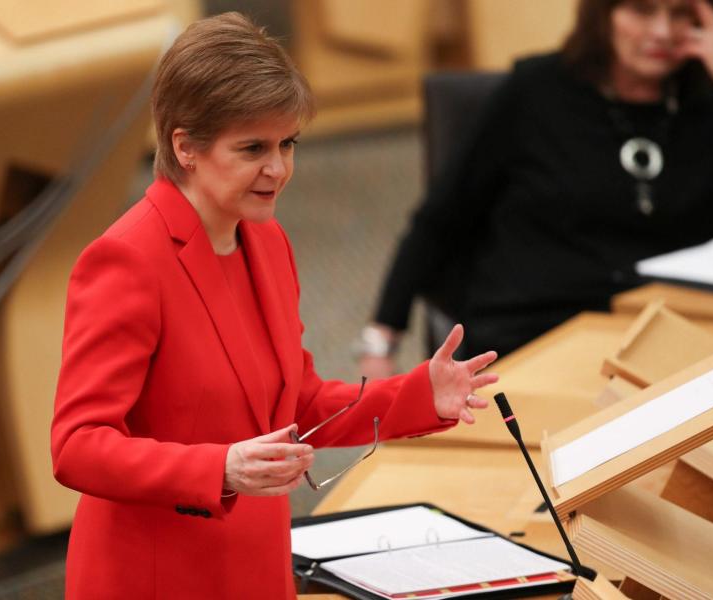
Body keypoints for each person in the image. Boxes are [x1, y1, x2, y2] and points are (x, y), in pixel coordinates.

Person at [50, 12, 499, 600]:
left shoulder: (264, 239)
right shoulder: (127, 261)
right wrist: (218, 469)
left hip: (256, 563)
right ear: (185, 146)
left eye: (288, 144)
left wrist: (417, 395)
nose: (279, 169)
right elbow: (77, 444)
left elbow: (295, 401)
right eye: (253, 148)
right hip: (158, 575)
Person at [356, 0, 713, 376]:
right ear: (602, 12)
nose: (662, 31)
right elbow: (441, 218)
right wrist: (381, 340)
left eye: (681, 13)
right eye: (642, 9)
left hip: (674, 337)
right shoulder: (535, 92)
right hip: (537, 332)